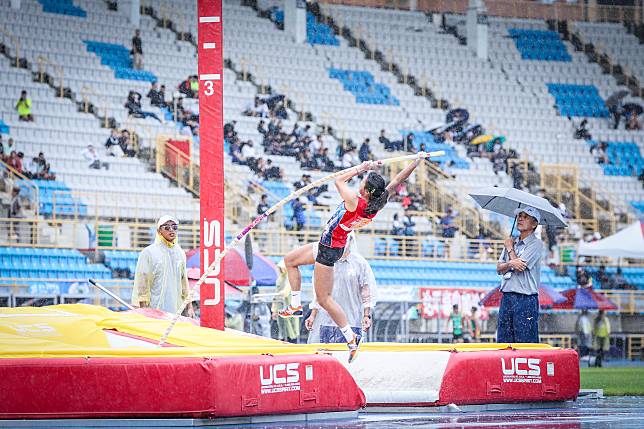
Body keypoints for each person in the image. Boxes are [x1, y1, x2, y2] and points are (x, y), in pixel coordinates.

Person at [279, 153, 427, 362]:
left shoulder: (354, 203)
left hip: (328, 249)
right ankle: (295, 306)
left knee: (324, 299)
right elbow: (397, 182)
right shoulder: (375, 205)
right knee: (290, 260)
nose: (360, 182)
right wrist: (416, 161)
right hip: (333, 244)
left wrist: (362, 167)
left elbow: (339, 180)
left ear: (366, 191)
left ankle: (351, 338)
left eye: (363, 182)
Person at [305, 233, 376, 343]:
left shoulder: (359, 263)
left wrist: (367, 315)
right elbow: (319, 291)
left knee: (348, 353)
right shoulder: (326, 262)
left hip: (352, 319)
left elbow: (366, 291)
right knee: (327, 354)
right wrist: (313, 314)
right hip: (326, 320)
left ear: (350, 240)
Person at [496, 206, 543, 343]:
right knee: (504, 342)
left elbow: (519, 267)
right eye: (520, 215)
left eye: (526, 216)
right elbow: (499, 268)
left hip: (525, 299)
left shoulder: (536, 244)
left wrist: (510, 250)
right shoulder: (512, 241)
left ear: (534, 224)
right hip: (507, 296)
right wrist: (511, 262)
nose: (520, 218)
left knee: (525, 342)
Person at [132, 215, 194, 316]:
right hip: (154, 308)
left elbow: (184, 282)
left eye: (174, 227)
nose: (171, 230)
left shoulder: (180, 253)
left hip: (175, 309)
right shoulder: (149, 252)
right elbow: (142, 282)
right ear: (159, 231)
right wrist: (144, 311)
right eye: (167, 227)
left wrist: (189, 306)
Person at [271, 260, 300, 343]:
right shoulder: (280, 278)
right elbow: (276, 294)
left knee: (291, 328)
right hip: (281, 306)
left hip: (290, 306)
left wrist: (281, 294)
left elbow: (286, 292)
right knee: (282, 328)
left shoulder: (290, 277)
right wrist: (274, 310)